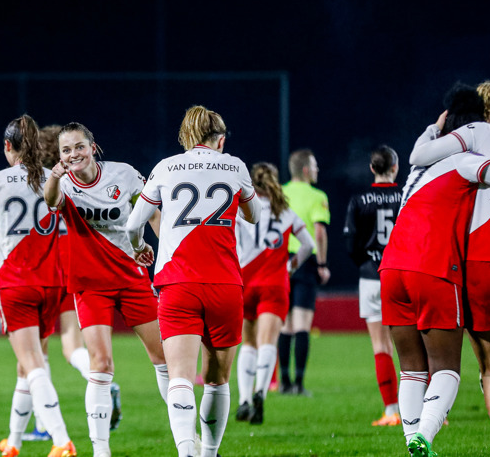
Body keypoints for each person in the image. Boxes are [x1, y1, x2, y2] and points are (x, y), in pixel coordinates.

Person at [380, 84, 490, 457]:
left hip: (403, 265)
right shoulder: (474, 159)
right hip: (461, 265)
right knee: (469, 367)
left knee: (420, 369)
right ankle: (427, 436)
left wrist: (434, 127)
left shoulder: (425, 167)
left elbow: (416, 154)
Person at [125, 105, 261, 457]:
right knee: (217, 381)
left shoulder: (165, 167)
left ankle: (187, 451)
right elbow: (254, 215)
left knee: (180, 376)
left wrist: (140, 248)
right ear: (220, 139)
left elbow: (132, 225)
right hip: (225, 282)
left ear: (186, 136)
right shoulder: (233, 165)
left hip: (178, 283)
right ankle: (209, 454)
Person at [36, 121, 167, 457]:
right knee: (101, 362)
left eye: (79, 146)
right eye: (66, 150)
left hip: (131, 278)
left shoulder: (123, 174)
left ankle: (188, 440)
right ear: (61, 157)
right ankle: (101, 451)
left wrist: (164, 245)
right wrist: (53, 175)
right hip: (90, 285)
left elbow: (150, 209)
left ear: (92, 147)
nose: (73, 154)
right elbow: (51, 201)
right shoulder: (62, 183)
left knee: (165, 357)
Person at [0, 114, 76, 457]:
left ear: (7, 146)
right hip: (52, 282)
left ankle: (61, 441)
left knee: (32, 362)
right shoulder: (55, 179)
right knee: (26, 365)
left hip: (16, 282)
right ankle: (13, 443)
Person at [21, 124, 103, 442]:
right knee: (72, 346)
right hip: (73, 267)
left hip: (42, 271)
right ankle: (98, 378)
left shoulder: (34, 183)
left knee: (35, 353)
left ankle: (44, 424)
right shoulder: (77, 179)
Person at [235, 162, 313, 425]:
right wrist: (291, 266)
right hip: (275, 283)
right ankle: (260, 392)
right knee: (268, 342)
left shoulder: (240, 210)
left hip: (245, 281)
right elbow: (308, 245)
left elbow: (231, 245)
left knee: (248, 343)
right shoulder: (286, 212)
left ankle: (244, 399)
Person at [342, 146, 402, 427]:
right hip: (402, 275)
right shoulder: (407, 196)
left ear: (372, 168)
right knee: (415, 344)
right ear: (395, 167)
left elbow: (351, 245)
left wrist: (367, 262)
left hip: (371, 277)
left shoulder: (359, 200)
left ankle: (391, 410)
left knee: (381, 346)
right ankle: (429, 409)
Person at [278, 149, 331, 396]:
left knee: (285, 324)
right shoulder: (317, 196)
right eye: (316, 166)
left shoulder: (280, 193)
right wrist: (321, 264)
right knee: (302, 324)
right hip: (305, 260)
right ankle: (299, 383)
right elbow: (318, 232)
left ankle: (284, 382)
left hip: (281, 261)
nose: (318, 170)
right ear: (307, 170)